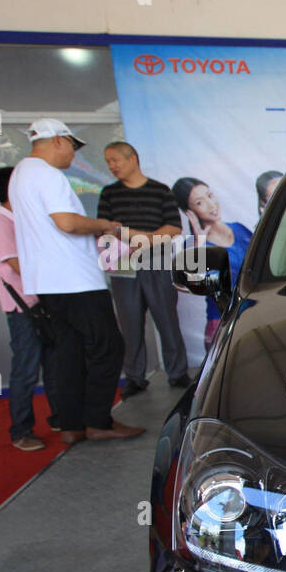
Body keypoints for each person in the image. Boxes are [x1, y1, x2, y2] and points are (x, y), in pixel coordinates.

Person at [9, 118, 144, 445]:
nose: (74, 154)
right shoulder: (47, 174)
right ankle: (98, 421)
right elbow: (67, 223)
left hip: (47, 280)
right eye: (72, 145)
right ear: (57, 140)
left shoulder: (20, 174)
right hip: (74, 279)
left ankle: (71, 424)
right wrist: (103, 225)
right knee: (108, 346)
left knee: (68, 352)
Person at [98, 141, 189, 397]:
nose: (111, 166)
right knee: (130, 324)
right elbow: (106, 229)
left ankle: (178, 373)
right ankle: (135, 377)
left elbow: (173, 229)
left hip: (158, 262)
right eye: (108, 161)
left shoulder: (161, 191)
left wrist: (132, 236)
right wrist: (141, 237)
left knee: (167, 320)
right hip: (123, 264)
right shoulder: (109, 193)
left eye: (115, 159)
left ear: (133, 158)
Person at [0, 166, 59, 450]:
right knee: (26, 369)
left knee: (53, 364)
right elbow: (18, 266)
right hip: (23, 310)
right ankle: (21, 430)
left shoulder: (23, 221)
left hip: (42, 304)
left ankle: (58, 416)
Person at [173, 177, 253, 350]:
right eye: (200, 202)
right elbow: (184, 284)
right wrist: (199, 245)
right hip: (222, 322)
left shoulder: (240, 229)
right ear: (190, 212)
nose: (211, 204)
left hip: (254, 314)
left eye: (210, 195)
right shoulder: (194, 245)